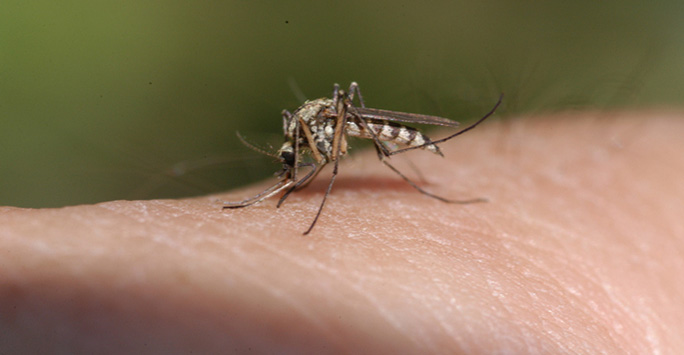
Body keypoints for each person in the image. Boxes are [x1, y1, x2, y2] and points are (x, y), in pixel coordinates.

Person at [1, 112, 682, 353]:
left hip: (373, 126)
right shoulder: (306, 139)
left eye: (293, 165)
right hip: (346, 130)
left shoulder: (320, 137)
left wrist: (319, 195)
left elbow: (332, 134)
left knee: (358, 129)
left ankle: (415, 163)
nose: (295, 162)